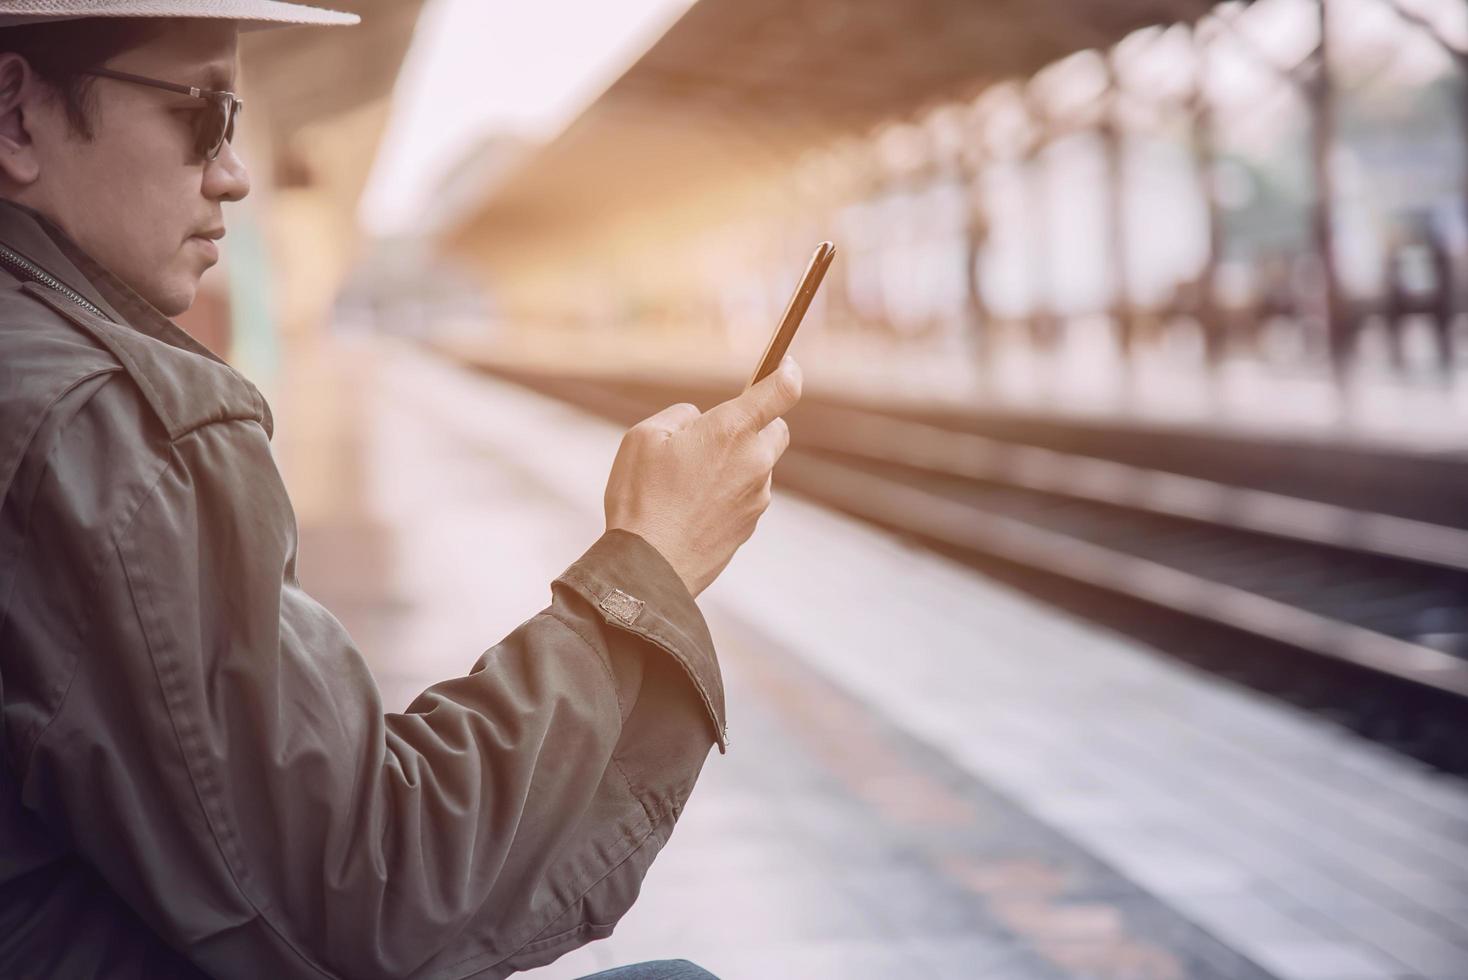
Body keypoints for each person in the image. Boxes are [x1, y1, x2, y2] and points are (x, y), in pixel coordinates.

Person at [0, 3, 802, 978]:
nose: (234, 171)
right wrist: (647, 569)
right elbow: (374, 892)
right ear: (16, 115)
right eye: (203, 114)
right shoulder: (106, 429)